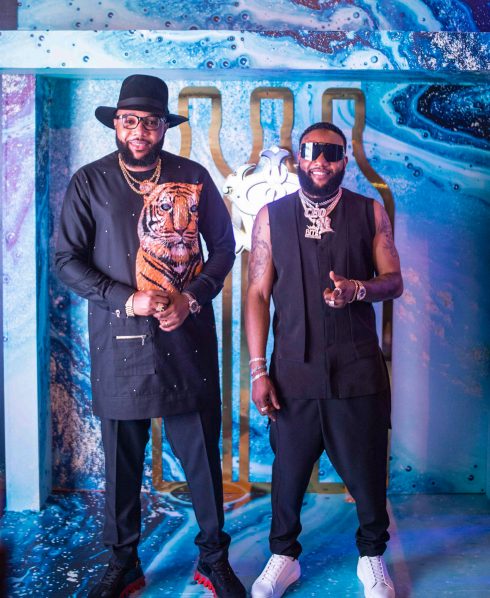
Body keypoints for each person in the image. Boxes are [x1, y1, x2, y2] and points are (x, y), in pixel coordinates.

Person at [55, 74, 246, 598]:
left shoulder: (193, 177)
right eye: (130, 120)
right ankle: (124, 563)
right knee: (122, 467)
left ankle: (214, 560)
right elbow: (66, 260)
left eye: (151, 121)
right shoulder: (90, 182)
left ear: (164, 127)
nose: (139, 130)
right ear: (117, 124)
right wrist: (126, 298)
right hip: (119, 343)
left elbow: (224, 248)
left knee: (202, 460)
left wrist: (192, 297)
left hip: (187, 340)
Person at [245, 121, 403, 598]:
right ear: (299, 156)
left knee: (368, 470)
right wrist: (257, 370)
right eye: (312, 151)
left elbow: (394, 280)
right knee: (288, 472)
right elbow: (257, 293)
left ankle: (372, 558)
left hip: (357, 369)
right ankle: (283, 557)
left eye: (332, 153)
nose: (320, 161)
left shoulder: (370, 212)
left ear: (344, 161)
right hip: (293, 371)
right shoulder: (271, 217)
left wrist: (358, 289)